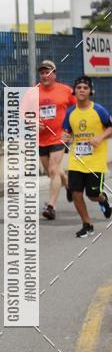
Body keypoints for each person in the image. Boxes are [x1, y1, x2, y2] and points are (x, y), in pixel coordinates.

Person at [61, 76, 112, 237]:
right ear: (74, 91)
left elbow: (110, 128)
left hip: (95, 162)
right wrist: (66, 138)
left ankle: (103, 199)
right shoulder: (70, 112)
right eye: (79, 87)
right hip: (77, 160)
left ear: (90, 91)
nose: (82, 90)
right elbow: (66, 133)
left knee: (93, 195)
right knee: (75, 192)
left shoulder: (99, 110)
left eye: (85, 87)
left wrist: (100, 137)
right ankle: (87, 223)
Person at [36, 59, 75, 220]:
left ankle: (51, 206)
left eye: (48, 72)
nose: (44, 75)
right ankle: (67, 182)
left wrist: (72, 131)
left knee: (53, 170)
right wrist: (32, 121)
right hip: (41, 139)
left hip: (59, 136)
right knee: (52, 172)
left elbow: (77, 108)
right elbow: (23, 113)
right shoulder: (33, 92)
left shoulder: (65, 90)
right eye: (42, 72)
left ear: (54, 74)